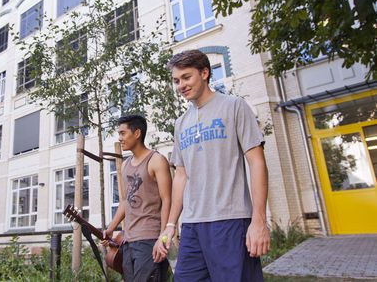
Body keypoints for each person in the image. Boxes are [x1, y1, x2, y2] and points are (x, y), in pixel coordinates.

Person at [158, 50, 270, 281]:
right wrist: (170, 225)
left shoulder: (234, 106)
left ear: (205, 73)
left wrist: (259, 221)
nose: (181, 85)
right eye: (177, 80)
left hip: (230, 220)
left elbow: (257, 162)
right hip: (192, 226)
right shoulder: (181, 123)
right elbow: (181, 176)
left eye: (186, 77)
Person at [102, 114, 172, 281]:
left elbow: (167, 199)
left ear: (137, 133)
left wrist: (162, 238)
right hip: (128, 241)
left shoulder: (156, 160)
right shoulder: (126, 164)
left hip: (150, 239)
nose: (120, 138)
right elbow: (125, 201)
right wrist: (111, 229)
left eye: (123, 133)